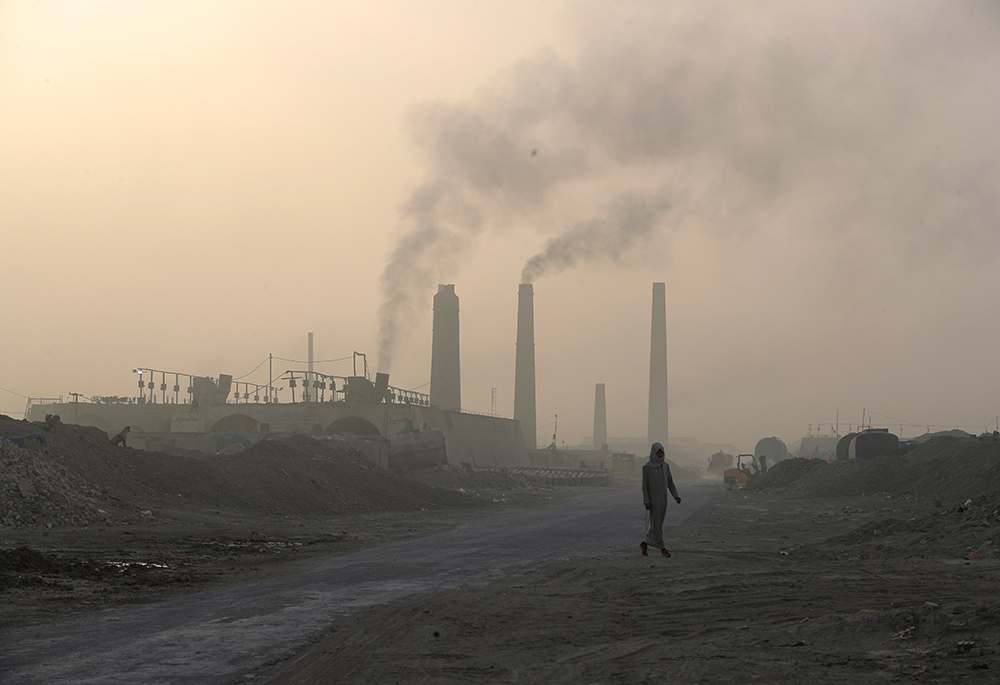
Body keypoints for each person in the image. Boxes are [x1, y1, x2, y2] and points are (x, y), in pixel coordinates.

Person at [641, 442, 681, 557]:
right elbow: (644, 486)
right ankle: (663, 549)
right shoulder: (647, 467)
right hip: (653, 501)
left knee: (657, 524)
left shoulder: (665, 466)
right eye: (658, 452)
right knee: (657, 524)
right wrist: (646, 501)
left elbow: (670, 482)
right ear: (653, 452)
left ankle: (645, 543)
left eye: (661, 452)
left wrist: (676, 496)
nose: (660, 454)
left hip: (663, 500)